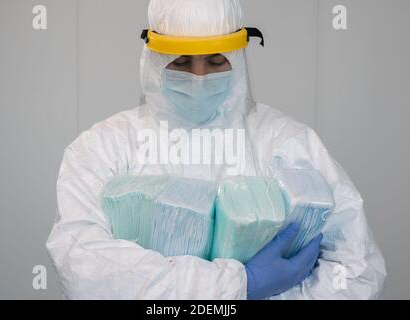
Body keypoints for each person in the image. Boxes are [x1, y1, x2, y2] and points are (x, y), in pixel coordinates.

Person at [46, 0, 386, 299]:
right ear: (153, 59)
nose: (198, 77)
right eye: (180, 62)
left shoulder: (287, 142)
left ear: (238, 59)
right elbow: (86, 270)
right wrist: (242, 287)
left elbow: (356, 269)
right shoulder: (103, 148)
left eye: (215, 60)